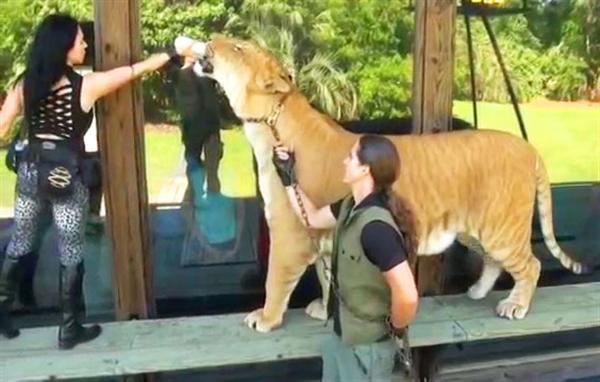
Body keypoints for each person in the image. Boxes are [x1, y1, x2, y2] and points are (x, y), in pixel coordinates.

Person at [0, 13, 176, 348]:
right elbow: (134, 71)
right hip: (67, 176)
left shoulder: (25, 83)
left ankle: (1, 313)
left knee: (21, 242)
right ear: (65, 47)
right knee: (71, 249)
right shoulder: (86, 84)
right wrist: (170, 54)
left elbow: (1, 128)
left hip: (31, 174)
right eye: (80, 39)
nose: (85, 44)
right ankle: (69, 329)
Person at [273, 135, 419, 382]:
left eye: (350, 157)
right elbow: (313, 218)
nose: (344, 161)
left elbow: (407, 295)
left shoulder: (376, 228)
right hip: (342, 341)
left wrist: (395, 326)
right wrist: (288, 178)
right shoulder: (350, 205)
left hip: (367, 351)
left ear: (365, 169)